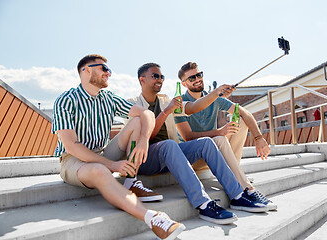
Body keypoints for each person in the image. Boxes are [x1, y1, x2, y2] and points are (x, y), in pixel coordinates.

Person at [51, 54, 185, 240]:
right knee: (99, 170)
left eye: (109, 70)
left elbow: (146, 114)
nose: (109, 73)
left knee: (138, 121)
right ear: (86, 70)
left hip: (103, 151)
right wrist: (111, 165)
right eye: (104, 69)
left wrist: (144, 140)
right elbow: (72, 146)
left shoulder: (108, 98)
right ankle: (153, 218)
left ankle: (131, 180)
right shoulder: (66, 100)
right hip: (73, 160)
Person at [128, 63, 269, 225]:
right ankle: (203, 204)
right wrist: (167, 111)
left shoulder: (167, 100)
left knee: (206, 143)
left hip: (171, 154)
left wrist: (216, 95)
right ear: (142, 80)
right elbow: (145, 137)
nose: (159, 79)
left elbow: (193, 107)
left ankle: (237, 195)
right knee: (169, 144)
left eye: (162, 76)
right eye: (155, 76)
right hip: (145, 158)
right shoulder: (133, 104)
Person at [175, 62, 277, 211]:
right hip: (195, 158)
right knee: (219, 138)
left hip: (216, 152)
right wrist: (218, 132)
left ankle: (236, 176)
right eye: (192, 78)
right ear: (184, 84)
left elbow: (245, 113)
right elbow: (188, 137)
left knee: (240, 120)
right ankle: (248, 189)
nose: (197, 79)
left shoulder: (215, 99)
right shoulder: (180, 103)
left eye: (199, 75)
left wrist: (258, 138)